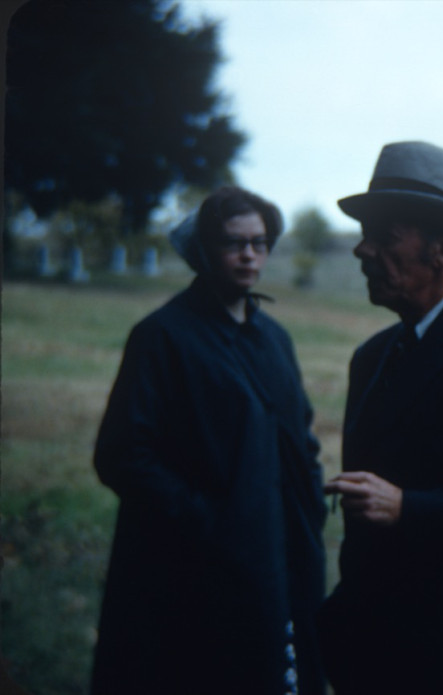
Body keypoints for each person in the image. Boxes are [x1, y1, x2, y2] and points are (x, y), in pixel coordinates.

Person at [91, 186, 327, 695]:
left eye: (259, 243)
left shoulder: (275, 339)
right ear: (203, 249)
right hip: (194, 565)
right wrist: (208, 518)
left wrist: (306, 509)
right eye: (233, 243)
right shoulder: (164, 335)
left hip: (277, 552)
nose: (248, 255)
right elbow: (123, 454)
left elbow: (299, 438)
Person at [318, 141, 443, 693]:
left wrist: (410, 507)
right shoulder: (371, 357)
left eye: (384, 237)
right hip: (368, 646)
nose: (362, 251)